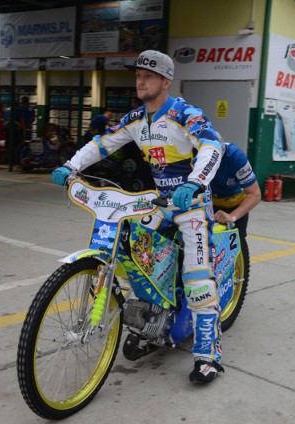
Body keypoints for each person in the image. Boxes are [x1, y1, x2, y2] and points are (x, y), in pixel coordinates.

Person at [52, 50, 225, 384]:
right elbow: (103, 144)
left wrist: (195, 182)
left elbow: (212, 145)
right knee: (135, 251)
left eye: (148, 76)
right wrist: (70, 166)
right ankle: (152, 318)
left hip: (191, 206)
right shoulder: (135, 119)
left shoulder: (185, 113)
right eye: (137, 75)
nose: (140, 81)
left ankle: (208, 356)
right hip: (158, 203)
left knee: (198, 278)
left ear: (165, 81)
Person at [211, 142, 261, 237]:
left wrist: (232, 216)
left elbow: (255, 194)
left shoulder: (236, 157)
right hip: (209, 202)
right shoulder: (194, 156)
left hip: (235, 202)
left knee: (239, 243)